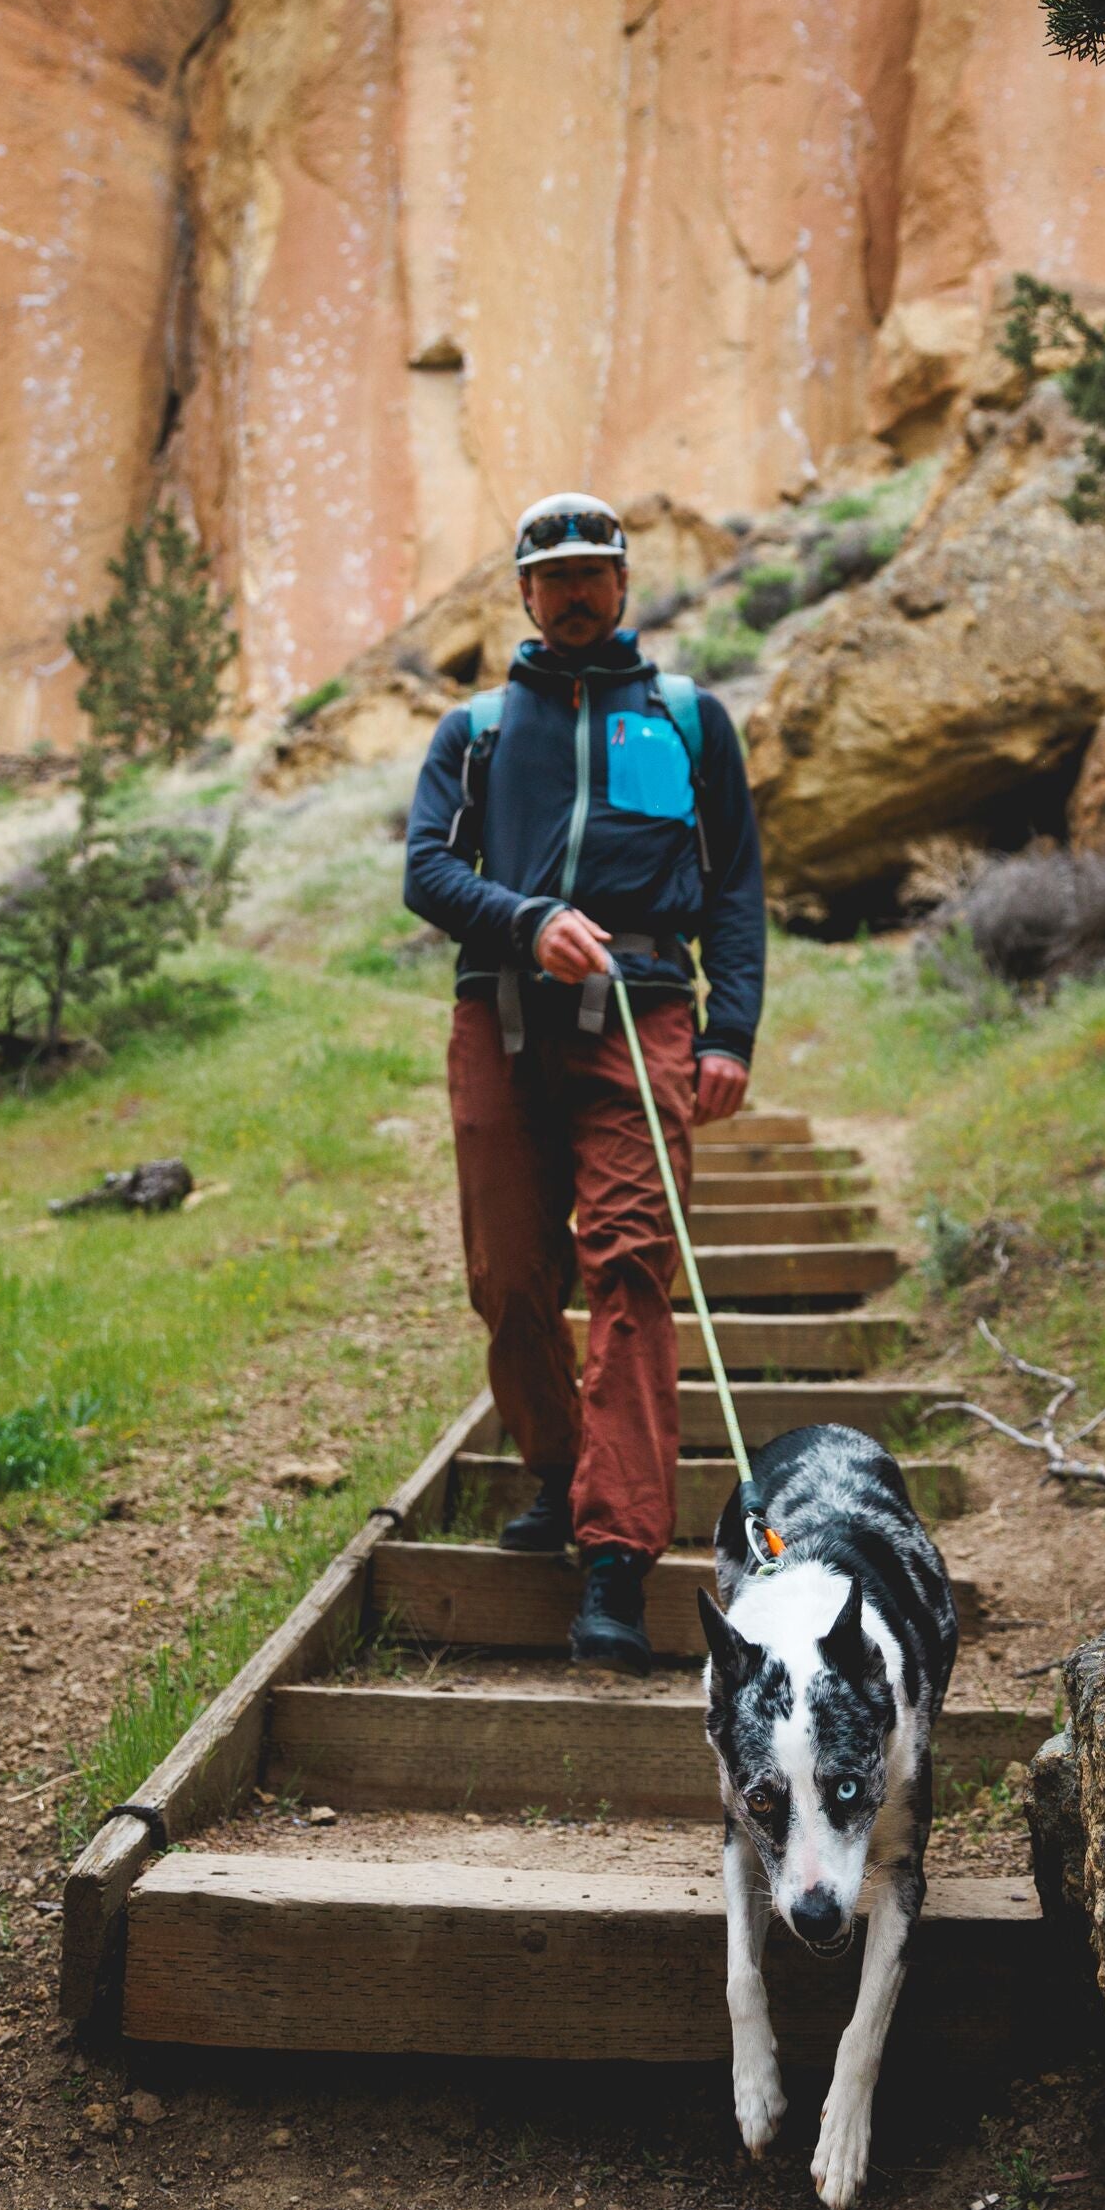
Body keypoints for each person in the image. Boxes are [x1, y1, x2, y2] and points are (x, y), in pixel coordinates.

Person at [402, 492, 766, 1675]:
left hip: (646, 1014)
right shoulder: (475, 731)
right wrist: (527, 916)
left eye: (591, 570)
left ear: (622, 581)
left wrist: (731, 1032)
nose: (571, 590)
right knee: (511, 1277)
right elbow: (424, 870)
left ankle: (616, 1559)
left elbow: (737, 887)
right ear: (521, 592)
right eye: (549, 574)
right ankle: (559, 1472)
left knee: (627, 1267)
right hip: (499, 1016)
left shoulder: (689, 719)